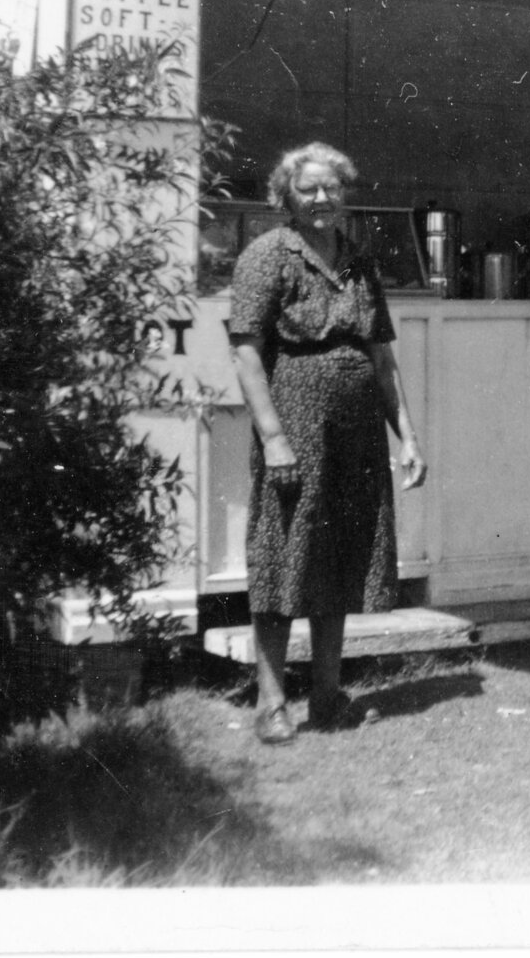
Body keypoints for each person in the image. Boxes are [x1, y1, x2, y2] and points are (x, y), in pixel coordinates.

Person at [228, 142, 426, 744]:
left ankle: (327, 694)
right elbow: (246, 352)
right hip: (294, 422)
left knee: (339, 553)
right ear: (286, 195)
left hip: (356, 429)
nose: (320, 199)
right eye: (308, 189)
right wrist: (275, 438)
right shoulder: (268, 256)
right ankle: (270, 701)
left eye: (330, 188)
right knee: (283, 554)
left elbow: (381, 355)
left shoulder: (356, 262)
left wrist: (408, 437)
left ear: (344, 193)